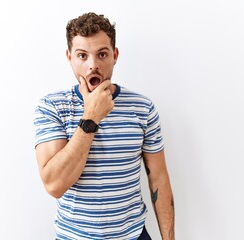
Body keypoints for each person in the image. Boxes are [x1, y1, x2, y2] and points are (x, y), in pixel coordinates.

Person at [34, 12, 175, 240]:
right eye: (82, 55)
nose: (93, 66)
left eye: (102, 54)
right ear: (69, 57)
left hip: (133, 235)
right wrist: (92, 115)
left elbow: (159, 179)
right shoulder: (51, 107)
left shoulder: (143, 108)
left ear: (115, 55)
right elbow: (54, 185)